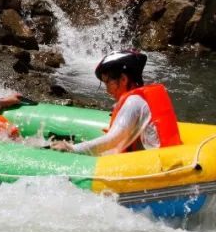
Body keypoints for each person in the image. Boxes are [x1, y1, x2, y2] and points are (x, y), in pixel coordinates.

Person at [50, 50, 181, 155]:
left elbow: (113, 139)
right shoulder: (141, 99)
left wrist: (72, 148)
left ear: (123, 79)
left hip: (156, 168)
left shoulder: (133, 102)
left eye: (108, 82)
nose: (107, 90)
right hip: (164, 157)